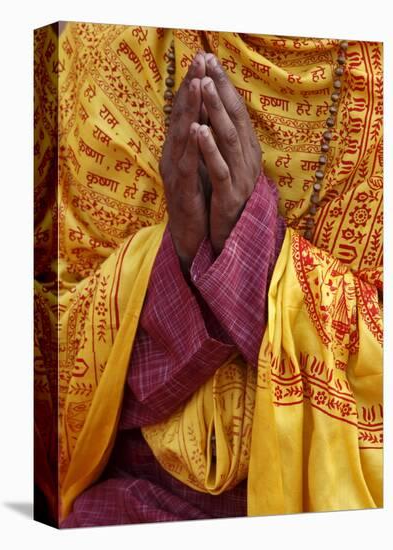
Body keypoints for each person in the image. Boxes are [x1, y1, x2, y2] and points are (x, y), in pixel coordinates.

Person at [33, 23, 383, 527]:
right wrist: (175, 258)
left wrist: (251, 258)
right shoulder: (104, 41)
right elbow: (44, 333)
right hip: (120, 501)